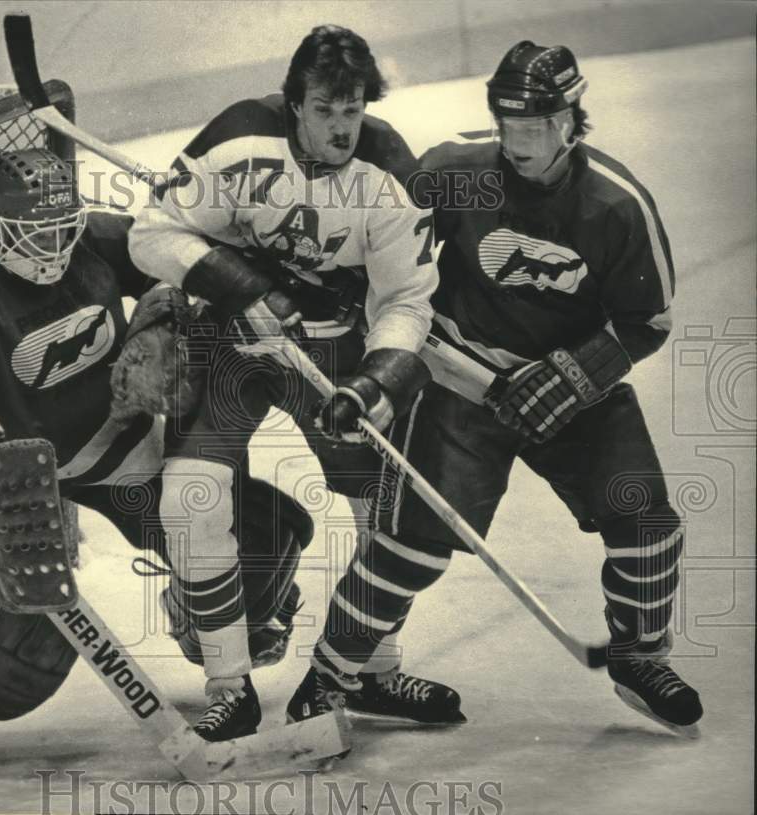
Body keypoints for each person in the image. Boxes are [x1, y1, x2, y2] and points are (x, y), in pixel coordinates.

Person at [0, 148, 313, 742]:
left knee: (266, 533)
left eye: (59, 231)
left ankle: (195, 617)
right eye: (32, 235)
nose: (50, 251)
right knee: (25, 644)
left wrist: (162, 316)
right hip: (18, 482)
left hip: (116, 451)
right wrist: (11, 484)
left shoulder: (93, 238)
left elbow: (163, 254)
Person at [289, 40, 702, 738]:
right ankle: (330, 674)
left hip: (576, 397)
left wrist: (574, 376)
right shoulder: (462, 175)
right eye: (510, 124)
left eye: (539, 126)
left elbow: (648, 320)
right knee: (411, 542)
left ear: (574, 119)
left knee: (646, 523)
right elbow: (388, 254)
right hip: (460, 385)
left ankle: (638, 654)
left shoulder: (613, 205)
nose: (521, 142)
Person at [127, 24, 463, 741]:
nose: (342, 129)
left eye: (354, 111)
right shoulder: (238, 141)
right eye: (324, 111)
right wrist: (240, 284)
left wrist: (374, 382)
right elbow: (149, 233)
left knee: (381, 501)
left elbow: (406, 302)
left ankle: (371, 667)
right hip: (234, 341)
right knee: (190, 489)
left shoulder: (392, 175)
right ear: (294, 102)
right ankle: (228, 684)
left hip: (335, 351)